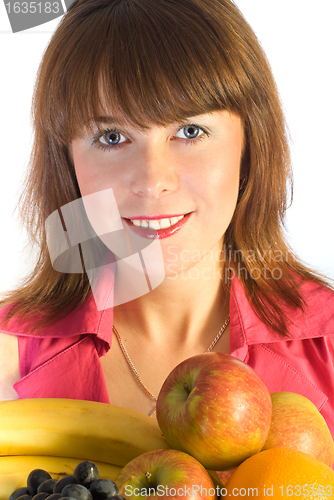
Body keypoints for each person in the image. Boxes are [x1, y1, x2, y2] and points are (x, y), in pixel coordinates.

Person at [0, 0, 333, 436]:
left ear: (249, 146)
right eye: (112, 137)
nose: (152, 181)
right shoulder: (8, 357)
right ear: (67, 162)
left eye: (189, 131)